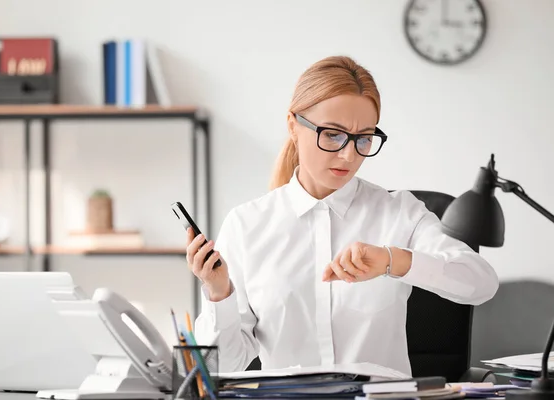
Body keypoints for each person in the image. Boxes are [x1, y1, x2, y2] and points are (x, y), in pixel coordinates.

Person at [187, 55, 499, 376]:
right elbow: (222, 365)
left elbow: (481, 282)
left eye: (364, 138)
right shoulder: (246, 225)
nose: (349, 155)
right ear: (293, 125)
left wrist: (393, 261)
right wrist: (218, 293)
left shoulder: (400, 212)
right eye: (333, 134)